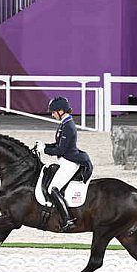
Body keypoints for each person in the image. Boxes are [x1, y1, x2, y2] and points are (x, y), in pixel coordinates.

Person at [36, 96, 93, 231]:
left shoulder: (68, 126)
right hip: (66, 159)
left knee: (52, 189)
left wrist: (45, 150)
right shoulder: (64, 123)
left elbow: (61, 149)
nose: (52, 114)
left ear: (61, 111)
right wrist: (45, 145)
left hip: (70, 161)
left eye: (53, 112)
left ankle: (67, 220)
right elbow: (58, 144)